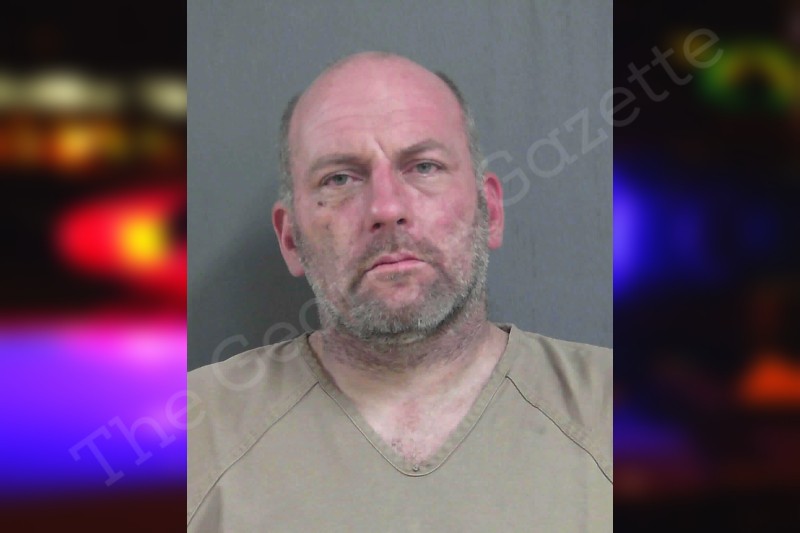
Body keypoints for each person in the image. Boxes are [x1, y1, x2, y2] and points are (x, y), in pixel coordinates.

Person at [187, 51, 612, 532]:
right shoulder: (188, 437)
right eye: (339, 178)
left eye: (424, 167)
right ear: (290, 240)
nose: (387, 208)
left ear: (490, 212)